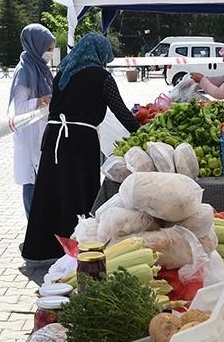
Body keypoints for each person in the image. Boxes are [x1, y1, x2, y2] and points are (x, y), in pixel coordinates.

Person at [22, 33, 141, 261]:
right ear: (99, 52)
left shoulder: (64, 73)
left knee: (51, 193)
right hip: (79, 140)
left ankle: (44, 249)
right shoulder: (101, 76)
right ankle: (77, 249)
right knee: (77, 194)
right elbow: (121, 110)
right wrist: (142, 132)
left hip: (54, 138)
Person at [10, 23, 55, 219]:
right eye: (48, 49)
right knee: (31, 182)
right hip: (29, 136)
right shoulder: (24, 70)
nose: (50, 53)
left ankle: (41, 228)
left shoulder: (43, 69)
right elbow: (19, 106)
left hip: (42, 134)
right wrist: (41, 100)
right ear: (36, 46)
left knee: (42, 182)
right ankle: (32, 230)